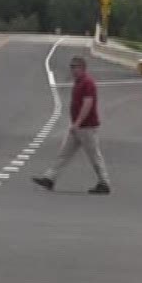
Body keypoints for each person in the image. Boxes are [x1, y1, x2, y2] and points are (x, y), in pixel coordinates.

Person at [34, 55, 110, 195]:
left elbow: (88, 104)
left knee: (94, 156)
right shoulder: (78, 82)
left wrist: (78, 123)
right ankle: (49, 178)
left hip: (87, 127)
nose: (71, 70)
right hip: (78, 127)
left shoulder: (88, 83)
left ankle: (104, 182)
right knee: (64, 153)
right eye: (71, 67)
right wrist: (75, 124)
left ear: (82, 67)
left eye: (74, 67)